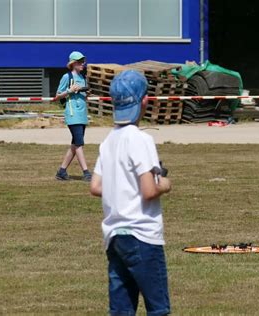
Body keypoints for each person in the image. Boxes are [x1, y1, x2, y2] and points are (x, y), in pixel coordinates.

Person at [90, 70, 172, 316]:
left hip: (115, 238)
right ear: (144, 101)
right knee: (158, 309)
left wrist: (122, 186)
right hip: (142, 235)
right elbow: (149, 190)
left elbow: (95, 186)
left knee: (121, 309)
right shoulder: (141, 139)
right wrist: (165, 184)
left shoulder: (108, 141)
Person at [55, 51, 92, 182]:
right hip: (72, 114)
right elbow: (57, 96)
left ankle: (61, 171)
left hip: (82, 114)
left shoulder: (83, 78)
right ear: (73, 63)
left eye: (83, 62)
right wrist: (69, 91)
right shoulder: (67, 77)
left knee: (75, 144)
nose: (83, 64)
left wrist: (86, 93)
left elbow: (83, 96)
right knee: (79, 144)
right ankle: (86, 172)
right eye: (80, 62)